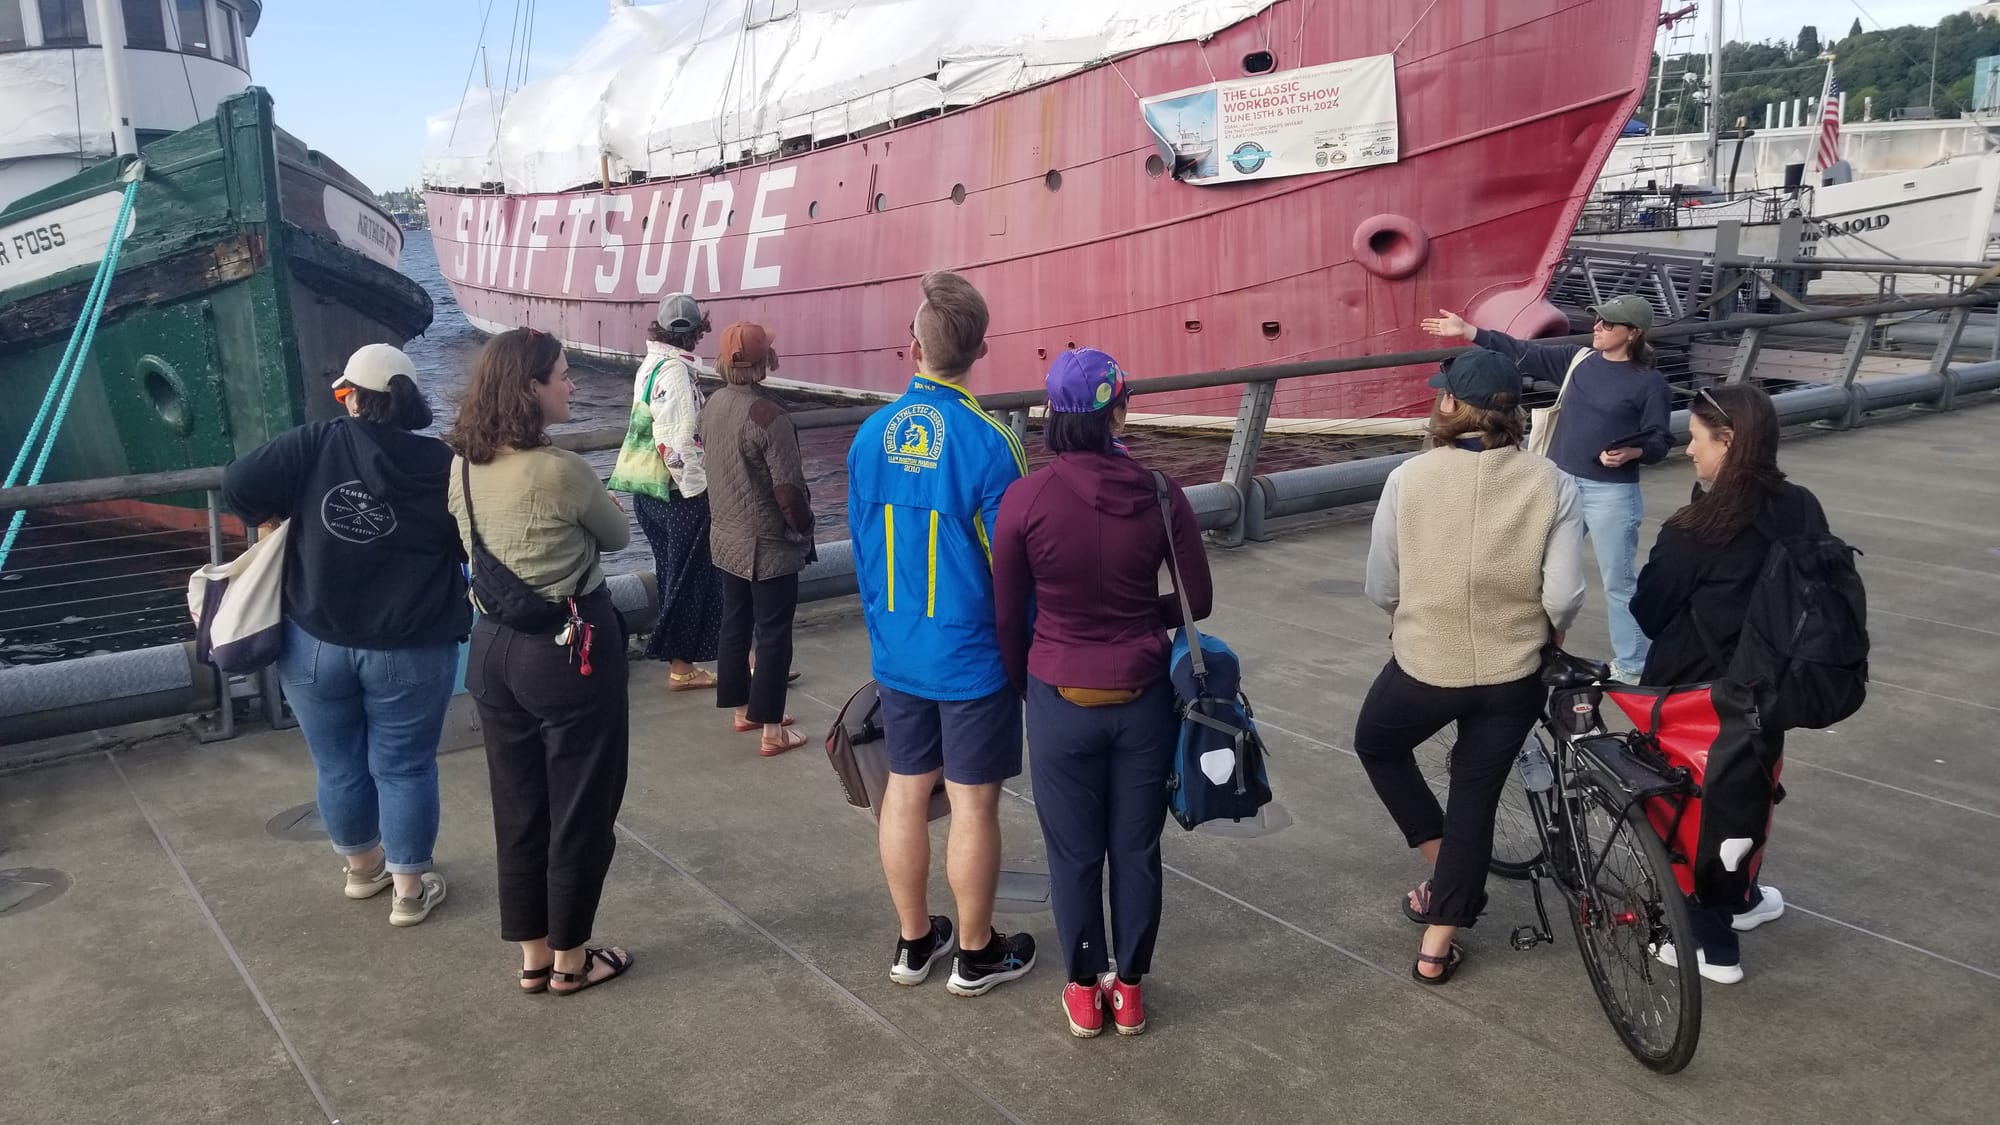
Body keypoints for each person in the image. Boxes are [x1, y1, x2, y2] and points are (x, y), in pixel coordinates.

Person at [992, 348, 1211, 1037]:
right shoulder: (1158, 491)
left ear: (1052, 415)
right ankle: (1133, 989)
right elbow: (1197, 598)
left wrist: (1027, 680)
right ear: (1118, 410)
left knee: (1074, 852)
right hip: (1144, 695)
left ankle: (1084, 991)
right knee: (1137, 849)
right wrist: (1145, 621)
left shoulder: (1024, 497)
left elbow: (1006, 613)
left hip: (1059, 693)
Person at [1353, 349, 1586, 984]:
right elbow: (1563, 594)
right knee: (1476, 796)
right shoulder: (1553, 482)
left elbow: (1382, 585)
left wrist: (1410, 612)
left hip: (1427, 663)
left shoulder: (1409, 478)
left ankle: (1444, 864)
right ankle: (1436, 944)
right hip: (1515, 671)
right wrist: (1548, 631)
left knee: (1377, 744)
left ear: (1450, 405)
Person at [223, 344, 468, 927]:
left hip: (314, 640)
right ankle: (409, 892)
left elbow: (240, 483)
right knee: (405, 767)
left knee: (336, 765)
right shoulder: (443, 463)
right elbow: (468, 539)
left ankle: (362, 871)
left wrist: (277, 516)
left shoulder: (317, 442)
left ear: (352, 396)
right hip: (410, 644)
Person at [848, 270, 1037, 996]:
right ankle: (978, 951)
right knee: (973, 801)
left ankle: (914, 940)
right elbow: (1011, 565)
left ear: (913, 348)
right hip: (972, 657)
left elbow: (865, 551)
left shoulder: (869, 437)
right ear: (980, 350)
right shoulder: (992, 443)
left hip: (899, 650)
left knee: (904, 789)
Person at [446, 327, 635, 996]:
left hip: (492, 647)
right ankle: (573, 958)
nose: (571, 383)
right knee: (581, 804)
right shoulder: (562, 470)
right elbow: (614, 536)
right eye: (560, 374)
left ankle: (532, 954)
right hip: (568, 648)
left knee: (518, 804)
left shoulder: (463, 464)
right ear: (531, 387)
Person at [1631, 383, 1816, 983]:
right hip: (1772, 686)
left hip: (1696, 695)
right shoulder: (1802, 507)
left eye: (1695, 438)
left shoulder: (1695, 529)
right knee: (1750, 791)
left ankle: (1709, 944)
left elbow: (1649, 611)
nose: (1689, 451)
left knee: (1686, 812)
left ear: (1728, 441)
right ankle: (1743, 897)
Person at [1422, 296, 1670, 682]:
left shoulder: (1650, 383)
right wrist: (1468, 331)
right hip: (1561, 481)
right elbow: (1520, 351)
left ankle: (1633, 666)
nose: (1598, 328)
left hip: (1612, 494)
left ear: (1633, 333)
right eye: (1599, 321)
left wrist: (1633, 452)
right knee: (1536, 570)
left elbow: (1660, 441)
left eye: (1608, 324)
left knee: (1618, 581)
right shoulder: (1578, 360)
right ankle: (1537, 651)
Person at [699, 322, 813, 756]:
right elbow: (789, 490)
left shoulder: (712, 404)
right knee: (774, 635)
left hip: (725, 537)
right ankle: (772, 730)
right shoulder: (769, 415)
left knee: (735, 623)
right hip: (767, 544)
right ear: (766, 360)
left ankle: (743, 710)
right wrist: (803, 530)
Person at [629, 293, 726, 690]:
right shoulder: (677, 373)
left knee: (672, 573)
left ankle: (682, 663)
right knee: (692, 577)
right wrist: (700, 490)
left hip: (648, 489)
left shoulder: (650, 365)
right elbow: (681, 437)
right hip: (677, 492)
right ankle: (683, 665)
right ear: (698, 331)